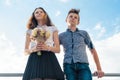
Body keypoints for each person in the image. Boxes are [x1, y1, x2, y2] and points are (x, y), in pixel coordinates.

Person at [59, 9, 104, 80]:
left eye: (75, 17)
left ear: (78, 22)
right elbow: (54, 48)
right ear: (66, 20)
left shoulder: (84, 33)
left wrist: (99, 69)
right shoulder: (61, 36)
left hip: (83, 65)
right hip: (68, 66)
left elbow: (92, 50)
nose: (73, 18)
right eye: (70, 16)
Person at [23, 7, 64, 80]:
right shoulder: (29, 31)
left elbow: (58, 49)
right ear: (34, 16)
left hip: (49, 58)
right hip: (34, 59)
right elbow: (25, 51)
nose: (39, 13)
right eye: (36, 12)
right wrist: (34, 49)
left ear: (45, 14)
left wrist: (47, 48)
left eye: (41, 12)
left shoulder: (53, 28)